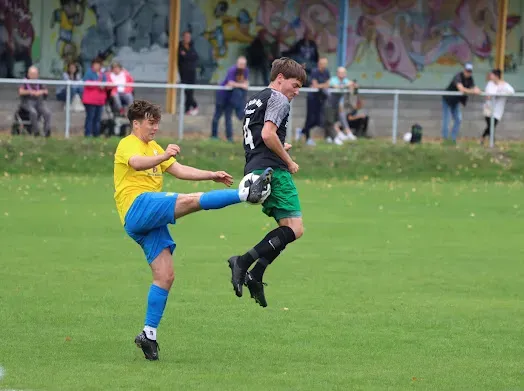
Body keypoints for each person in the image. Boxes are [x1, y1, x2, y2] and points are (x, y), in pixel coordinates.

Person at [114, 100, 273, 361]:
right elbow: (138, 163)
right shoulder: (128, 144)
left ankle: (148, 334)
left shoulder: (154, 147)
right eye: (150, 123)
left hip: (148, 220)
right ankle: (244, 194)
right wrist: (164, 155)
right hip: (137, 206)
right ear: (136, 123)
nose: (155, 127)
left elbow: (178, 170)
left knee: (165, 275)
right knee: (190, 200)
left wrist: (210, 174)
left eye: (157, 123)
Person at [227, 57, 307, 308]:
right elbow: (267, 134)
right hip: (273, 170)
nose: (296, 91)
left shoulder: (255, 98)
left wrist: (278, 148)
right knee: (295, 228)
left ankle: (256, 275)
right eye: (295, 85)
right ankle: (242, 262)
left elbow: (258, 136)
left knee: (285, 229)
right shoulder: (279, 99)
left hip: (256, 165)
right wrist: (288, 159)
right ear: (280, 78)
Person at [211, 56, 249, 142]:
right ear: (237, 63)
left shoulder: (245, 71)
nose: (242, 66)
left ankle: (229, 137)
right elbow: (230, 83)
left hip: (231, 97)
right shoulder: (232, 70)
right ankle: (213, 136)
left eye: (243, 64)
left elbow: (245, 83)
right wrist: (241, 85)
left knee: (228, 117)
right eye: (240, 64)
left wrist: (239, 85)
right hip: (222, 95)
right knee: (217, 115)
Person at [441, 63, 481, 143]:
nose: (468, 73)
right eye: (467, 71)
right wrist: (473, 91)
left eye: (470, 71)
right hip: (448, 100)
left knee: (458, 119)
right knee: (447, 119)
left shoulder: (470, 78)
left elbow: (475, 87)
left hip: (456, 101)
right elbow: (461, 89)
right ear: (464, 70)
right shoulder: (458, 76)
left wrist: (478, 90)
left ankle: (453, 139)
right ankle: (445, 139)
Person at [295, 57, 330, 146]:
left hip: (321, 98)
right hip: (312, 98)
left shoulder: (326, 72)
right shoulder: (315, 72)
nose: (324, 65)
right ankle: (307, 138)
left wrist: (320, 85)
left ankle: (301, 131)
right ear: (319, 64)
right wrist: (322, 85)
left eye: (325, 64)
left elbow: (327, 84)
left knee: (319, 120)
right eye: (322, 63)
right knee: (310, 118)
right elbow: (315, 85)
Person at [480, 68, 514, 145]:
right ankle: (491, 142)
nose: (490, 76)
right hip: (488, 108)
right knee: (490, 126)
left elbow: (512, 91)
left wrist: (501, 91)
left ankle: (483, 138)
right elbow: (487, 95)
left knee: (492, 126)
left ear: (496, 76)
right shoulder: (489, 84)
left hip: (498, 110)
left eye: (492, 74)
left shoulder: (505, 85)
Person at [18, 66, 52, 137]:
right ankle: (36, 132)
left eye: (35, 74)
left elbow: (46, 91)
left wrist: (40, 92)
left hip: (39, 103)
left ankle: (46, 132)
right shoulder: (24, 81)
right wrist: (30, 92)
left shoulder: (39, 82)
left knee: (47, 113)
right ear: (28, 74)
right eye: (32, 74)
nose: (33, 76)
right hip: (27, 102)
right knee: (33, 112)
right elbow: (20, 91)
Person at [82, 58, 107, 137]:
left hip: (100, 100)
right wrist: (97, 84)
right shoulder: (89, 73)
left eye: (98, 64)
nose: (96, 66)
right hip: (90, 100)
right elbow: (86, 82)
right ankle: (88, 133)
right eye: (95, 64)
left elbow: (106, 84)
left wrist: (103, 86)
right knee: (90, 117)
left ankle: (96, 134)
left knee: (98, 118)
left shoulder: (103, 74)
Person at [178, 31, 199, 115]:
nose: (187, 39)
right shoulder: (180, 46)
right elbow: (182, 58)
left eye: (189, 37)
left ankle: (188, 109)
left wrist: (187, 55)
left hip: (192, 72)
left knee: (190, 91)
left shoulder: (192, 46)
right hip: (184, 72)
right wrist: (188, 56)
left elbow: (195, 56)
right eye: (186, 37)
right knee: (186, 91)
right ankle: (194, 106)